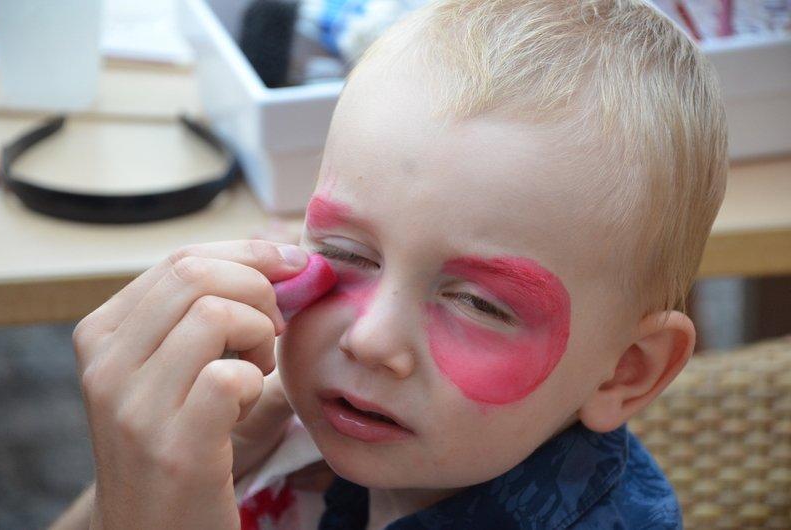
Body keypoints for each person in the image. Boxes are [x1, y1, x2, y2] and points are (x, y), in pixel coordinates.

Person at [53, 0, 727, 528]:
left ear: (626, 371)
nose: (370, 339)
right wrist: (148, 475)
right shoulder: (277, 429)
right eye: (346, 254)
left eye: (480, 302)